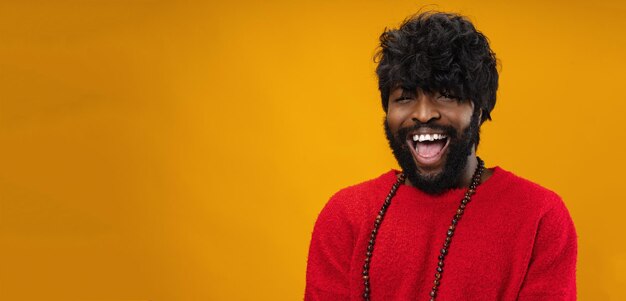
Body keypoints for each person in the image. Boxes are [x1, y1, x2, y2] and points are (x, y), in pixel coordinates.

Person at [305, 11, 577, 301]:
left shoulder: (540, 217)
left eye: (446, 95)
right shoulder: (346, 215)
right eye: (405, 97)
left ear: (480, 108)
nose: (423, 113)